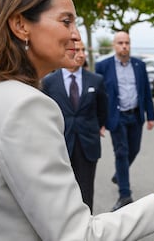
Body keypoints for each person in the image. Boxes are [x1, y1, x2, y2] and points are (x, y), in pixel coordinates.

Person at [0, 0, 154, 241]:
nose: (76, 36)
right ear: (20, 25)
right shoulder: (26, 106)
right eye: (66, 21)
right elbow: (76, 235)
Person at [41, 40, 108, 213]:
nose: (81, 54)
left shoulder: (96, 80)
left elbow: (102, 109)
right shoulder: (49, 82)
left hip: (88, 145)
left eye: (83, 50)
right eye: (76, 50)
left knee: (85, 191)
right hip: (60, 145)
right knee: (61, 191)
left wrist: (96, 127)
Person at [95, 31, 154, 211]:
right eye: (120, 43)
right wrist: (100, 121)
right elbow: (99, 96)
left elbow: (146, 91)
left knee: (134, 149)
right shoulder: (103, 66)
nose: (124, 46)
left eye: (127, 43)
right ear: (114, 45)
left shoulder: (139, 65)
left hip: (136, 115)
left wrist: (150, 116)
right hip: (117, 116)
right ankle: (125, 194)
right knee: (121, 152)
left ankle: (119, 175)